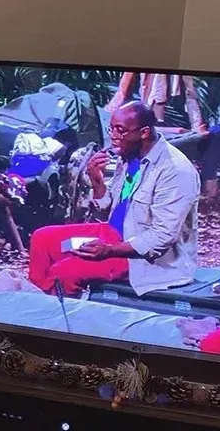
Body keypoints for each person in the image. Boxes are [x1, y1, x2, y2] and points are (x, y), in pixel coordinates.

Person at [28, 101, 200, 297]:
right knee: (43, 239)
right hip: (113, 235)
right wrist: (97, 181)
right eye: (111, 129)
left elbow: (162, 237)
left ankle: (57, 310)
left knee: (65, 271)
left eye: (121, 131)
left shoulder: (175, 170)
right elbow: (107, 211)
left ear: (144, 132)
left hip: (145, 259)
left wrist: (109, 251)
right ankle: (37, 301)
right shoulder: (129, 155)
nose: (114, 136)